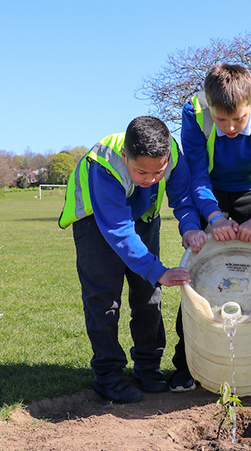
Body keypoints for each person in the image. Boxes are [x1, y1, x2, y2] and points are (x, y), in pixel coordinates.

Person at [58, 116, 207, 404]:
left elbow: (183, 199)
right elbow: (118, 230)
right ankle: (108, 375)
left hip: (143, 220)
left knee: (149, 297)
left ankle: (147, 368)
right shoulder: (102, 165)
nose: (150, 181)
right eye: (141, 173)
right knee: (103, 301)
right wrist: (156, 269)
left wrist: (189, 227)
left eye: (158, 173)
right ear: (125, 156)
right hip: (97, 225)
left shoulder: (172, 155)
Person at [170, 63, 251, 392]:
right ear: (209, 106)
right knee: (196, 274)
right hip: (209, 190)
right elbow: (196, 173)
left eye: (237, 120)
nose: (228, 128)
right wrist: (214, 218)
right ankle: (185, 363)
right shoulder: (194, 112)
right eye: (220, 119)